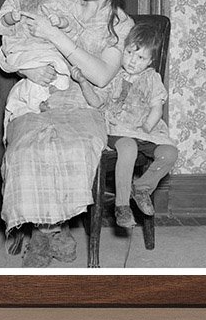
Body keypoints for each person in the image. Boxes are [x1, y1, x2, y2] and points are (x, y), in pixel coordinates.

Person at [0, 0, 135, 268]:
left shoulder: (121, 24)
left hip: (85, 105)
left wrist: (55, 35)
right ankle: (50, 231)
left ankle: (50, 231)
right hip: (39, 97)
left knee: (72, 147)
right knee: (25, 149)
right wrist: (27, 67)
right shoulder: (55, 0)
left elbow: (101, 75)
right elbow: (7, 50)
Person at [72, 22, 178, 228]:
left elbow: (157, 106)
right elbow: (97, 102)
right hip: (117, 128)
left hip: (145, 130)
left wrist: (148, 125)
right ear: (123, 50)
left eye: (140, 58)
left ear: (150, 61)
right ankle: (122, 206)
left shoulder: (152, 78)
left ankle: (141, 188)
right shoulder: (114, 76)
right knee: (128, 147)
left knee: (169, 152)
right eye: (129, 53)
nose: (132, 61)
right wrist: (84, 83)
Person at [0, 0, 70, 129]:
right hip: (23, 46)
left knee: (61, 72)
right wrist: (12, 17)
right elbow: (3, 20)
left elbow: (68, 21)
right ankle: (33, 104)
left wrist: (59, 20)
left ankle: (45, 99)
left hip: (45, 48)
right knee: (28, 68)